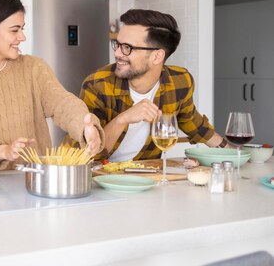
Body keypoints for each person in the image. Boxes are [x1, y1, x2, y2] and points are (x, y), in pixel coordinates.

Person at [0, 0, 104, 172]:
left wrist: (85, 127)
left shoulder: (33, 67)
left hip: (34, 183)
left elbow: (62, 103)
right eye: (14, 30)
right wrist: (3, 150)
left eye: (22, 28)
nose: (22, 37)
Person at [78, 9, 228, 162]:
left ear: (157, 56)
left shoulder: (180, 81)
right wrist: (123, 119)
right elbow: (88, 152)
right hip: (98, 176)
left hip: (145, 175)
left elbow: (193, 123)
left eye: (127, 47)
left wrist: (231, 152)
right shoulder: (98, 85)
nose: (117, 53)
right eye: (117, 44)